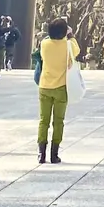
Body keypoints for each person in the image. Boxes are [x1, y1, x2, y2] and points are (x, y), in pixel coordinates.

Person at [33, 17, 77, 163]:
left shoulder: (44, 44)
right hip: (61, 88)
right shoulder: (68, 45)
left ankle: (41, 153)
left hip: (44, 86)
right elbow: (76, 49)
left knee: (43, 120)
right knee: (58, 121)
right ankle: (54, 153)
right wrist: (70, 34)